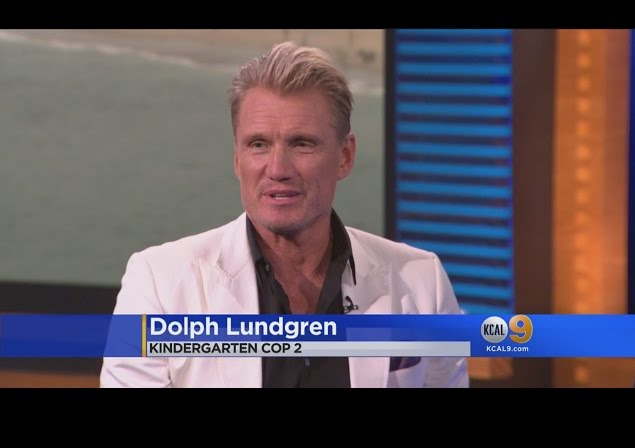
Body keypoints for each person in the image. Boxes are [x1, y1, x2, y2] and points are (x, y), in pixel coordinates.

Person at [100, 41, 469, 388]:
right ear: (237, 159)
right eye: (258, 144)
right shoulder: (159, 285)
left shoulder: (422, 282)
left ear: (345, 156)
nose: (277, 169)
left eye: (302, 143)